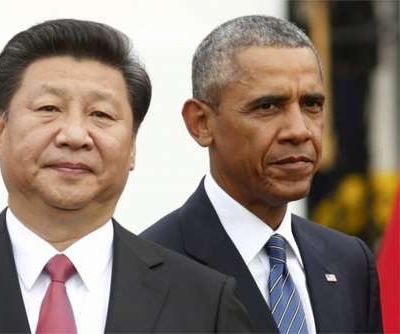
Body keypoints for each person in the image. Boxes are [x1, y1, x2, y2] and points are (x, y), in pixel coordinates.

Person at [0, 19, 252, 333]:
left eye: (100, 114)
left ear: (132, 146)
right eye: (49, 109)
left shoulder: (205, 303)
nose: (74, 135)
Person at [142, 15, 382, 334]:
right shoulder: (148, 271)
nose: (299, 130)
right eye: (268, 107)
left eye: (312, 105)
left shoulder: (349, 261)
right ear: (201, 123)